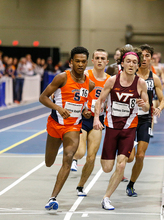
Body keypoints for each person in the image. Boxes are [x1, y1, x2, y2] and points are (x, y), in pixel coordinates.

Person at [93, 46, 149, 210]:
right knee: (107, 168)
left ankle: (106, 198)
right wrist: (97, 118)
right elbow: (100, 101)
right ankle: (123, 154)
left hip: (129, 129)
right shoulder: (112, 81)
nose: (131, 65)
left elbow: (146, 108)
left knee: (122, 165)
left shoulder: (141, 84)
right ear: (122, 63)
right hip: (111, 128)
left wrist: (143, 104)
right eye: (128, 62)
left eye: (134, 62)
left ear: (138, 65)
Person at [39, 46, 95, 211]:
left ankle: (53, 197)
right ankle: (51, 162)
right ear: (71, 62)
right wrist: (58, 108)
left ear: (86, 63)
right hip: (55, 125)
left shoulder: (89, 84)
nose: (80, 64)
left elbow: (84, 104)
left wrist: (85, 111)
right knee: (49, 162)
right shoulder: (61, 78)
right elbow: (42, 97)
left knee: (69, 157)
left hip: (73, 127)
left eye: (83, 61)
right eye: (77, 61)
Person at [126, 44, 164, 197]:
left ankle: (131, 184)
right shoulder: (129, 75)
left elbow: (162, 100)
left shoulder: (154, 78)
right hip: (129, 119)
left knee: (140, 155)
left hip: (145, 120)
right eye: (141, 55)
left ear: (151, 58)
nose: (144, 58)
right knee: (129, 157)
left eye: (147, 55)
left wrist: (158, 108)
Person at [70, 49, 110, 196]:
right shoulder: (86, 75)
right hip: (82, 118)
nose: (100, 60)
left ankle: (80, 186)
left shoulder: (110, 80)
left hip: (97, 120)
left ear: (107, 61)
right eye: (97, 58)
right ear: (92, 60)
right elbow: (75, 94)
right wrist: (82, 110)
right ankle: (72, 159)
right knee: (80, 152)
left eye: (103, 58)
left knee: (91, 157)